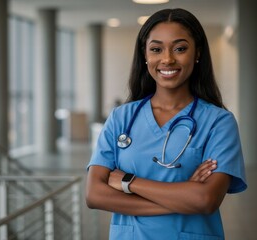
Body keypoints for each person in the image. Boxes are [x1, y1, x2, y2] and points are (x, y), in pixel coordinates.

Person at [85, 8, 247, 240]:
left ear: (197, 52)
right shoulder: (121, 117)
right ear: (145, 55)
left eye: (180, 48)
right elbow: (94, 195)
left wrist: (128, 182)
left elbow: (206, 199)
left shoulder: (219, 122)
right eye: (156, 49)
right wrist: (183, 198)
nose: (167, 58)